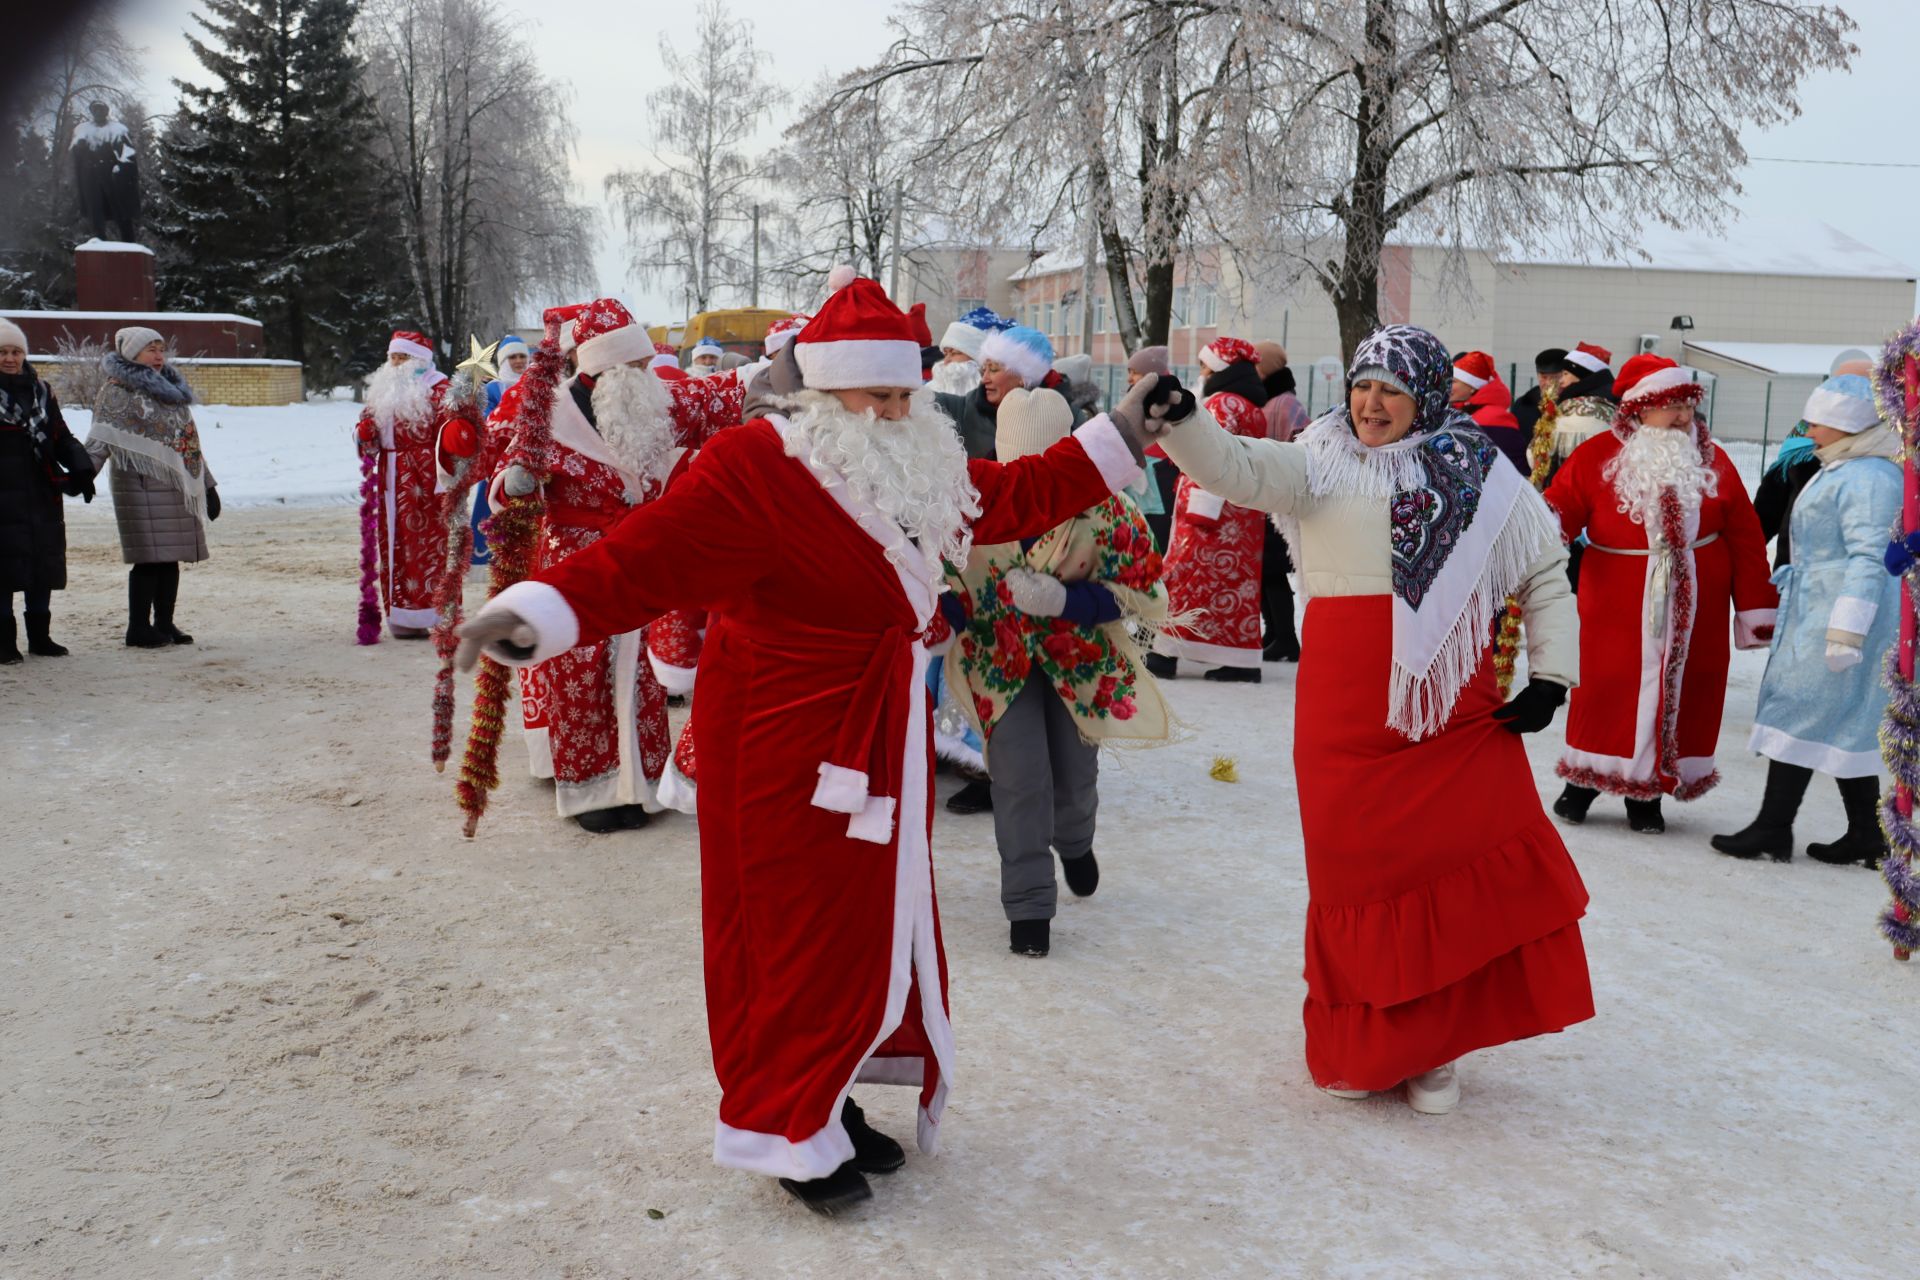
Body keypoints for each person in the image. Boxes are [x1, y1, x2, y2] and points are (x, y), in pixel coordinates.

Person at [454, 276, 1152, 1215]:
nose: (898, 412)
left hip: (878, 733)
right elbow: (649, 554)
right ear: (824, 392)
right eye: (879, 396)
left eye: (906, 395)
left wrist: (1126, 433)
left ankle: (830, 1094)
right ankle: (785, 1128)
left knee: (862, 928)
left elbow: (1019, 493)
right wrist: (544, 609)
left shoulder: (918, 457)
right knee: (792, 930)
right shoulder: (757, 465)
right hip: (781, 740)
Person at [1139, 323, 1591, 1115]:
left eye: (1390, 388)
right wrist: (1182, 422)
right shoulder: (1319, 458)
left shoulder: (1477, 470)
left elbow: (1545, 569)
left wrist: (1553, 675)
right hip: (1344, 710)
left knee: (1444, 863)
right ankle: (1373, 1037)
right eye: (1361, 385)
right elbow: (1237, 468)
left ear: (1423, 396)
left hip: (1445, 706)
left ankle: (1436, 1048)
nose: (1371, 403)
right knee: (1357, 874)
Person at [943, 386, 1169, 956]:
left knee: (1073, 773)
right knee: (1018, 780)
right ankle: (1029, 907)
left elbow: (1141, 591)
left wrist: (1066, 601)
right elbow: (940, 581)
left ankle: (1075, 840)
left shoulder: (1107, 506)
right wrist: (940, 615)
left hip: (1080, 661)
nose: (1032, 488)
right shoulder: (971, 505)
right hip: (1000, 661)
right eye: (1021, 468)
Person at [1544, 354, 1776, 833]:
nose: (1683, 417)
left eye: (1688, 405)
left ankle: (1647, 795)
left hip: (1697, 605)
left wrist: (1754, 606)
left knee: (1682, 692)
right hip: (1616, 601)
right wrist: (1526, 542)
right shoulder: (1596, 456)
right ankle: (1582, 783)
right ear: (1638, 408)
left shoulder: (1713, 460)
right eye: (1671, 405)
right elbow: (1557, 513)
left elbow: (1746, 538)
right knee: (1605, 689)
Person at [485, 299, 685, 833]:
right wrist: (519, 481)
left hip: (633, 556)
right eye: (638, 367)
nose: (649, 375)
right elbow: (504, 476)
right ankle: (592, 793)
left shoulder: (641, 412)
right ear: (606, 367)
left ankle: (638, 787)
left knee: (638, 674)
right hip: (574, 559)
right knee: (579, 673)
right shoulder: (549, 411)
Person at [1713, 374, 1898, 868]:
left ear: (1844, 423)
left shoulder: (1870, 478)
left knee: (1800, 708)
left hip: (1837, 613)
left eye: (1818, 421)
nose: (1809, 428)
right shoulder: (1844, 466)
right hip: (1817, 604)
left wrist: (1847, 629)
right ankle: (1866, 835)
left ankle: (1773, 829)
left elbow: (1869, 556)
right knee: (1838, 718)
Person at [85, 327, 220, 647]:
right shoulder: (118, 389)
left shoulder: (171, 392)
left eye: (161, 349)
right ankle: (138, 628)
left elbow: (187, 444)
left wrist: (209, 486)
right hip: (138, 483)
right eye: (150, 349)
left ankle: (164, 623)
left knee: (170, 557)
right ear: (131, 353)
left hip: (175, 483)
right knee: (148, 559)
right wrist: (81, 475)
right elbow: (101, 437)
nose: (159, 355)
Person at [1148, 336, 1269, 682]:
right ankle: (1238, 658)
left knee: (1185, 576)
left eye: (1205, 365)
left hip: (1210, 511)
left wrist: (1202, 503)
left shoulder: (1221, 404)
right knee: (1235, 584)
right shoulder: (1250, 405)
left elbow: (1209, 455)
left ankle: (1165, 652)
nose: (1201, 372)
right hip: (1241, 512)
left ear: (1220, 369)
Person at [0, 319, 96, 662]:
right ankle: (4, 643)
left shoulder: (43, 392)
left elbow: (61, 436)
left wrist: (81, 467)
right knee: (4, 571)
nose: (10, 358)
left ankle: (40, 637)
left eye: (16, 351)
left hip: (41, 494)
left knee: (41, 567)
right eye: (2, 352)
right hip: (3, 499)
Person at [355, 331, 450, 638]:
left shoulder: (439, 388)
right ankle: (400, 615)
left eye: (403, 357)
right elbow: (365, 427)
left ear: (419, 360)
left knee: (427, 546)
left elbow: (455, 434)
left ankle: (434, 613)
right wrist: (364, 433)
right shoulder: (382, 391)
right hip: (390, 478)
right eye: (393, 357)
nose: (396, 363)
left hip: (427, 477)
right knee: (392, 545)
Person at [933, 324, 1088, 460]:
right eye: (984, 369)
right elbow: (921, 399)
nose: (984, 379)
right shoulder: (964, 409)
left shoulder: (1071, 419)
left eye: (993, 369)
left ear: (1024, 375)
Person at [1254, 341, 1308, 661]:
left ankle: (1286, 636)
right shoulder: (1271, 399)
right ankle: (1274, 631)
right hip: (1266, 494)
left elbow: (1300, 446)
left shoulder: (1286, 404)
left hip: (1279, 495)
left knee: (1272, 568)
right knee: (1264, 568)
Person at [1129, 346, 1179, 550]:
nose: (1130, 378)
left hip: (1160, 473)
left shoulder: (1166, 398)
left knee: (1156, 535)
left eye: (1135, 372)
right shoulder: (1138, 396)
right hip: (1141, 472)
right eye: (1129, 372)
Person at [1450, 351, 1528, 474]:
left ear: (1472, 386)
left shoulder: (1493, 417)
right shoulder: (1458, 412)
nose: (1448, 385)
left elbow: (1515, 464)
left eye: (1454, 382)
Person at [929, 306, 1005, 396]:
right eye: (945, 354)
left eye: (954, 353)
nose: (946, 361)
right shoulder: (929, 393)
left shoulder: (994, 397)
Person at [1511, 347, 1567, 437]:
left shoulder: (1575, 407)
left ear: (1566, 377)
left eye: (1554, 377)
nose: (1548, 383)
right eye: (1544, 377)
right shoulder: (1522, 407)